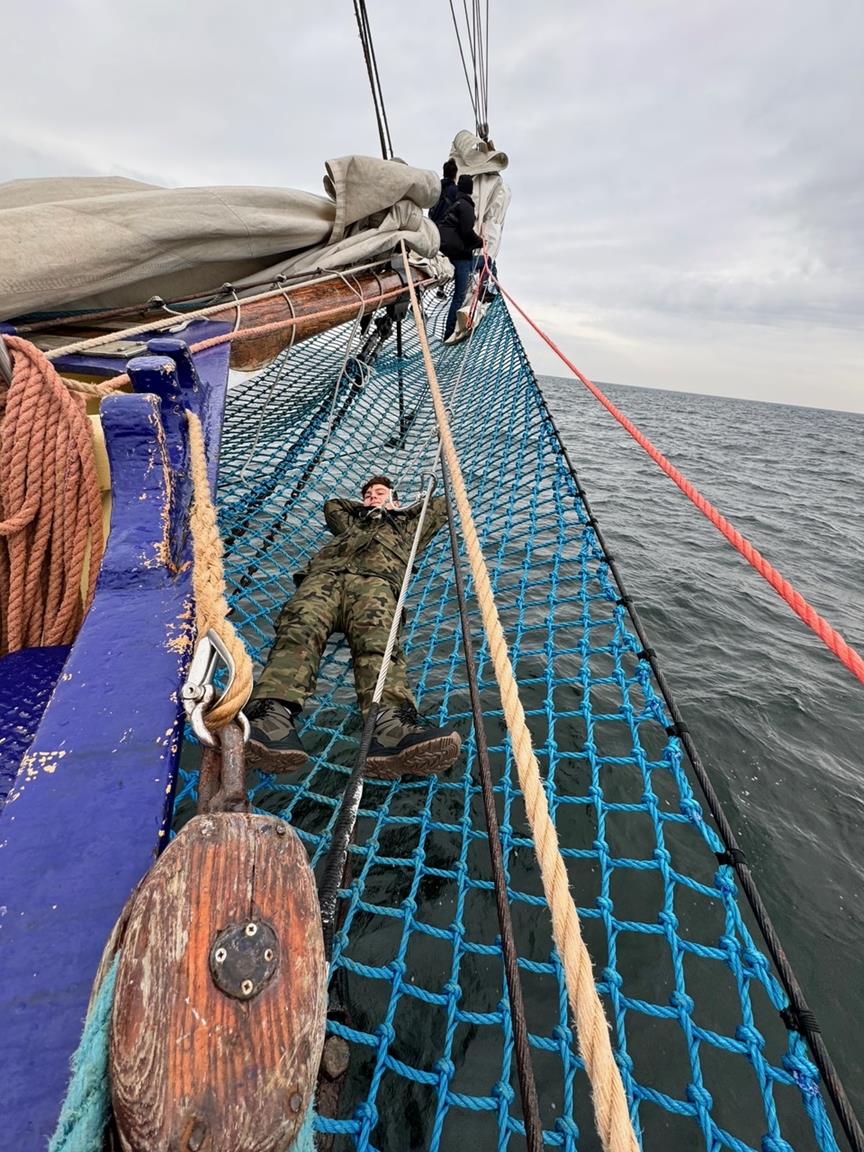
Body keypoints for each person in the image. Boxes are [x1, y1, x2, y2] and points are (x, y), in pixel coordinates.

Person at [246, 476, 461, 779]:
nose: (372, 497)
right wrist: (368, 508)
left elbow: (439, 507)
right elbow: (332, 506)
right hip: (324, 579)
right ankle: (273, 719)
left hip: (376, 584)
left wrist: (397, 509)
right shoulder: (352, 523)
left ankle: (391, 728)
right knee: (298, 632)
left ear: (396, 499)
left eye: (379, 492)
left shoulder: (408, 528)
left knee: (379, 645)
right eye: (368, 494)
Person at [437, 174, 484, 340]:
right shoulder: (466, 206)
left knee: (485, 263)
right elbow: (466, 232)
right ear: (470, 189)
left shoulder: (455, 204)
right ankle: (449, 333)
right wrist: (481, 242)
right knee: (459, 295)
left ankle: (482, 290)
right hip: (461, 256)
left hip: (450, 253)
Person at [429, 158, 459, 226]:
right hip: (448, 228)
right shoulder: (456, 191)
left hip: (434, 227)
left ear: (444, 173)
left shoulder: (436, 188)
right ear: (455, 175)